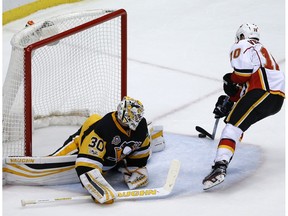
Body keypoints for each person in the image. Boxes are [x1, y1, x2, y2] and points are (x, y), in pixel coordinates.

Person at [202, 23, 285, 190]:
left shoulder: (243, 44)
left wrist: (229, 80)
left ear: (241, 35)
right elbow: (248, 84)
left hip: (262, 93)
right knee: (237, 125)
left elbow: (242, 74)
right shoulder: (260, 51)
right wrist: (230, 101)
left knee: (232, 127)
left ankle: (220, 165)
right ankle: (223, 160)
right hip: (275, 99)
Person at [50, 96, 164, 204]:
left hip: (112, 160)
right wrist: (98, 188)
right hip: (82, 143)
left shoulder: (140, 126)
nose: (135, 121)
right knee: (80, 137)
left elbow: (141, 146)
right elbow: (87, 162)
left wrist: (136, 168)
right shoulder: (104, 128)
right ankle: (49, 160)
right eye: (131, 118)